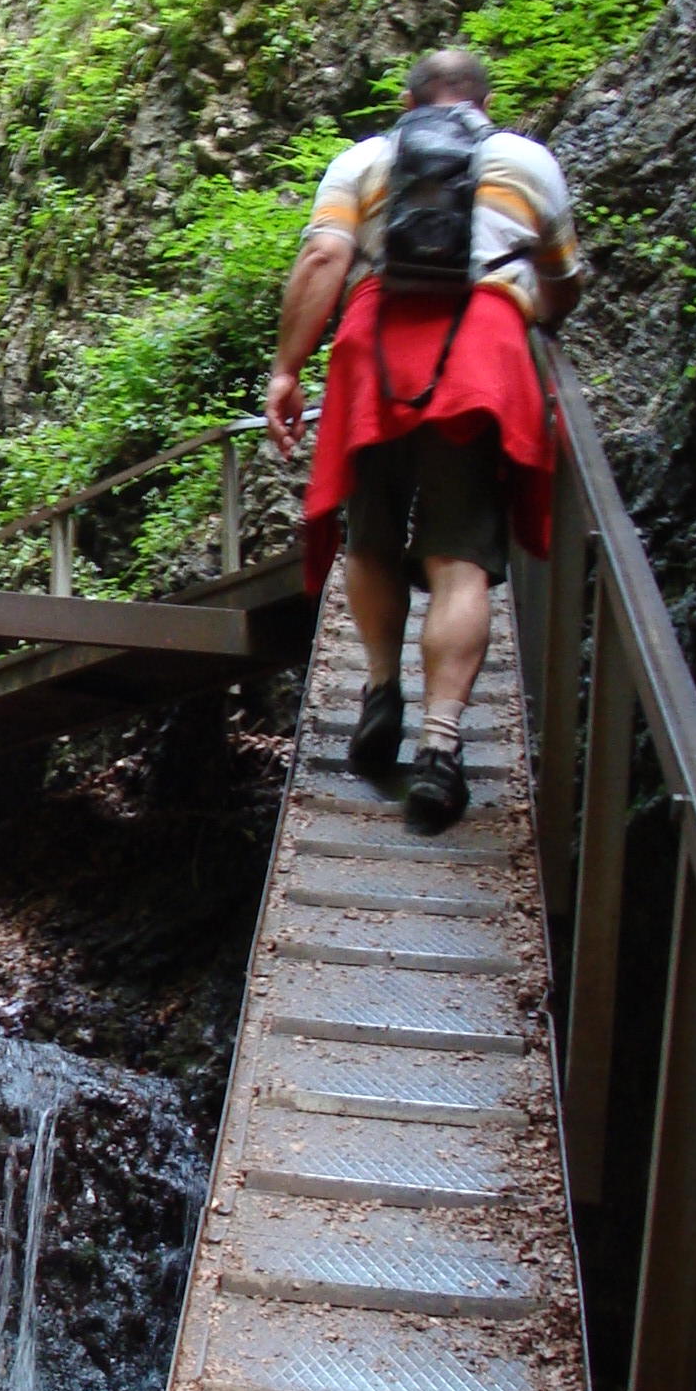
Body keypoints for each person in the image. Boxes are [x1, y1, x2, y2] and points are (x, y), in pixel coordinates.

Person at [264, 45, 580, 835]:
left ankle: (380, 689)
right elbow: (563, 280)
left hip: (374, 352)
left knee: (370, 538)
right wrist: (537, 313)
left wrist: (287, 370)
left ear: (408, 104)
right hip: (482, 354)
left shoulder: (365, 159)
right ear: (483, 103)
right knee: (459, 560)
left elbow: (325, 256)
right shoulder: (526, 161)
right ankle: (440, 750)